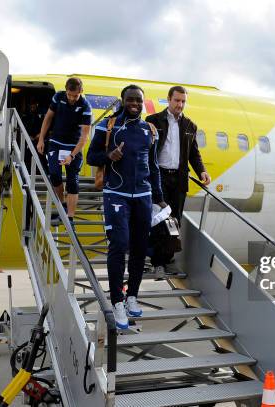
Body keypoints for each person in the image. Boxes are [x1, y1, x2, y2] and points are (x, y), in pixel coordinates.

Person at [87, 84, 166, 330]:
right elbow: (91, 157)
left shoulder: (149, 130)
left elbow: (153, 167)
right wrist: (108, 156)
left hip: (143, 195)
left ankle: (132, 295)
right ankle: (117, 301)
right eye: (130, 100)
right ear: (122, 101)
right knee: (119, 245)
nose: (135, 104)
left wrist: (160, 199)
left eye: (138, 101)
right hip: (116, 194)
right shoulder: (108, 126)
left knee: (140, 248)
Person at [145, 86, 210, 270]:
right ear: (168, 99)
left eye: (183, 101)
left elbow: (194, 154)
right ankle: (158, 262)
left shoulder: (190, 125)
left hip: (179, 179)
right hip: (159, 176)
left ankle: (168, 258)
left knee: (175, 219)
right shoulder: (153, 120)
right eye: (176, 100)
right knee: (160, 218)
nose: (180, 104)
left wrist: (202, 171)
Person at [37, 77, 92, 228]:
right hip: (56, 142)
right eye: (70, 95)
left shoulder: (85, 106)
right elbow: (48, 117)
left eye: (75, 95)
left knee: (72, 180)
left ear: (81, 91)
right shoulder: (58, 96)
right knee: (54, 174)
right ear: (66, 90)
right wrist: (41, 139)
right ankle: (62, 207)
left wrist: (72, 155)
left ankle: (70, 218)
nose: (72, 98)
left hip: (73, 146)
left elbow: (85, 136)